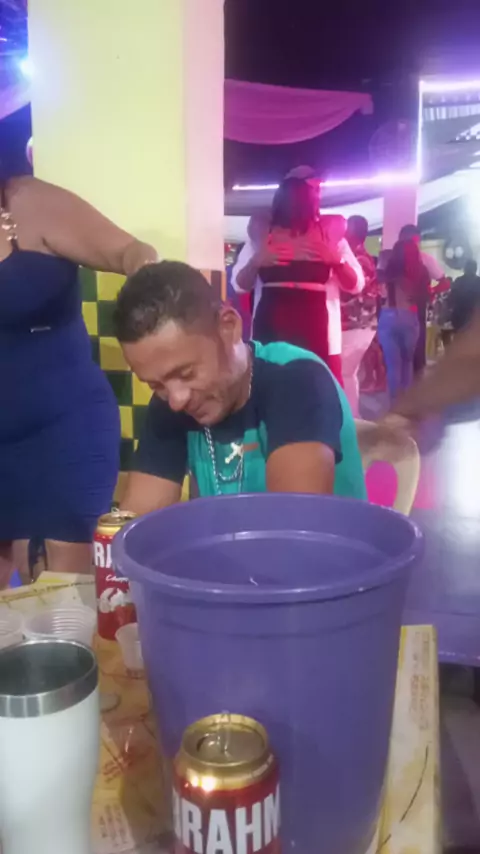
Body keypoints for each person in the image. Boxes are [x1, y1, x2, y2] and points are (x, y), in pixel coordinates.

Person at [0, 172, 158, 587]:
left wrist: (151, 296)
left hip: (63, 432)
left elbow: (132, 252)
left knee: (60, 595)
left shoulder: (30, 202)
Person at [113, 261, 366, 514]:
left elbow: (294, 524)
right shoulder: (169, 402)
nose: (176, 400)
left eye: (187, 373)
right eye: (155, 385)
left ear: (229, 327)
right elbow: (137, 520)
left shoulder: (296, 379)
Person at [231, 170, 364, 384]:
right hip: (280, 320)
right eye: (313, 191)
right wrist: (256, 260)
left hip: (308, 321)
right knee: (281, 383)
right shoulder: (263, 234)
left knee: (306, 382)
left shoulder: (328, 234)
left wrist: (336, 260)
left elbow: (356, 284)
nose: (317, 196)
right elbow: (239, 284)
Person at [377, 240, 430, 402]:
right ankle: (406, 403)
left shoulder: (388, 268)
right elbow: (425, 296)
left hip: (388, 315)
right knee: (407, 362)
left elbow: (378, 288)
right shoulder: (421, 270)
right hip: (410, 315)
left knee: (393, 365)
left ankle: (394, 403)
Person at [341, 215, 378, 415]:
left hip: (355, 325)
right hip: (358, 324)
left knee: (345, 374)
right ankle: (353, 418)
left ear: (353, 232)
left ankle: (352, 419)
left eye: (346, 228)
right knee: (348, 375)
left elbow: (350, 290)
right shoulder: (360, 257)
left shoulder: (358, 259)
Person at [449, 259, 480, 333]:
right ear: (475, 269)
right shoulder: (478, 281)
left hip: (460, 315)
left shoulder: (459, 281)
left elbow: (452, 297)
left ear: (465, 269)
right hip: (473, 316)